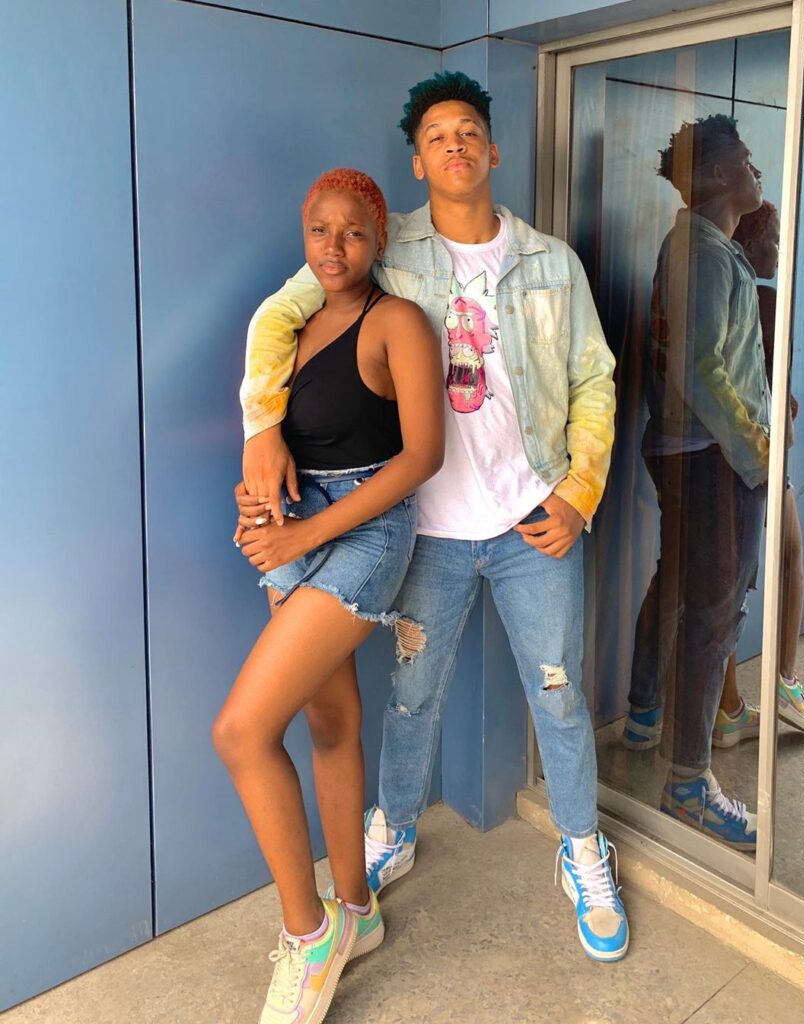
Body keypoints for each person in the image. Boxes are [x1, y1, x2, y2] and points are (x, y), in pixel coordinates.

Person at [237, 71, 630, 964]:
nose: (455, 144)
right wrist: (261, 426)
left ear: (493, 150)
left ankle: (582, 850)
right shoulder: (382, 246)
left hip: (532, 523)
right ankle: (395, 828)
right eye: (436, 135)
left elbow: (594, 379)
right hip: (425, 532)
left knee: (559, 695)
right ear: (417, 161)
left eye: (469, 131)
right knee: (412, 699)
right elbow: (279, 319)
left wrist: (579, 493)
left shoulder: (551, 262)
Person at [213, 168, 444, 1024]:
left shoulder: (398, 322)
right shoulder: (293, 327)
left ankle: (309, 938)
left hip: (365, 535)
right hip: (295, 524)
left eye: (353, 231)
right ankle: (356, 909)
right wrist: (261, 497)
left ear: (379, 239)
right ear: (303, 236)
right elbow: (276, 438)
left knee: (241, 733)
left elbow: (423, 457)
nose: (335, 246)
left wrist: (303, 538)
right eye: (320, 230)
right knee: (331, 722)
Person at [622, 115, 769, 850]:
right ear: (717, 176)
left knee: (677, 582)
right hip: (711, 458)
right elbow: (699, 368)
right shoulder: (703, 254)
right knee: (712, 615)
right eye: (747, 160)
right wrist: (757, 454)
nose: (756, 172)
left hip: (692, 451)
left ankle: (644, 714)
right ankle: (687, 783)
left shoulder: (700, 246)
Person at [713, 202, 804, 745]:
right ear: (750, 246)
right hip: (756, 449)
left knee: (733, 578)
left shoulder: (725, 292)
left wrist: (785, 398)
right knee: (768, 566)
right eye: (773, 239)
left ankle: (734, 701)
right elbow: (757, 381)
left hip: (736, 448)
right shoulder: (762, 299)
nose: (779, 249)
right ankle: (779, 682)